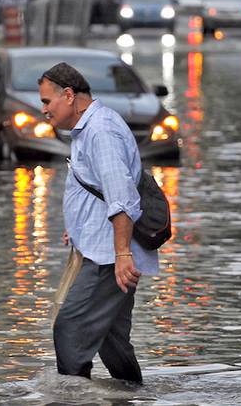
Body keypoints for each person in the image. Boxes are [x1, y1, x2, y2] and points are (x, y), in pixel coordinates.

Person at [38, 62, 159, 383]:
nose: (44, 111)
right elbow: (96, 188)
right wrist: (77, 225)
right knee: (111, 340)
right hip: (104, 249)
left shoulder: (100, 131)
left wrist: (121, 254)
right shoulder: (88, 129)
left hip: (108, 257)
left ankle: (72, 399)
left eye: (47, 102)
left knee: (70, 329)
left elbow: (122, 197)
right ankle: (132, 395)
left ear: (68, 95)